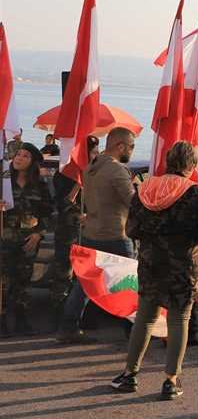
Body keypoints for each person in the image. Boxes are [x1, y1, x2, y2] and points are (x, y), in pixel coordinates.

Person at [109, 141, 198, 400]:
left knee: (145, 318)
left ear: (167, 161)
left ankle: (129, 374)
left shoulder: (145, 189)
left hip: (152, 263)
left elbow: (131, 230)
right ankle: (171, 380)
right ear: (191, 166)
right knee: (179, 320)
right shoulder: (194, 194)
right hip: (185, 267)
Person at [58, 127, 136, 341]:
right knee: (127, 283)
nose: (132, 151)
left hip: (92, 232)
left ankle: (68, 327)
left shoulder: (91, 166)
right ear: (120, 146)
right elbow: (133, 202)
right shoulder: (117, 170)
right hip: (115, 234)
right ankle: (134, 331)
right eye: (131, 146)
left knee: (84, 283)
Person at [0, 142, 52, 336]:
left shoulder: (39, 186)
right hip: (4, 240)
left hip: (28, 241)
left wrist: (39, 234)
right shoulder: (3, 183)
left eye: (25, 156)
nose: (19, 158)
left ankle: (22, 322)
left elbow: (48, 213)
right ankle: (2, 321)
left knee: (23, 282)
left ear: (32, 163)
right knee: (3, 283)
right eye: (18, 155)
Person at [49, 135, 99, 314]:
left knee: (86, 274)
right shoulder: (64, 174)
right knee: (64, 272)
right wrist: (78, 184)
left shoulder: (95, 173)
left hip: (90, 232)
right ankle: (59, 312)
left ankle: (83, 315)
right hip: (68, 231)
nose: (96, 155)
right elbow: (63, 204)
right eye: (93, 152)